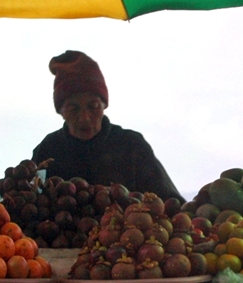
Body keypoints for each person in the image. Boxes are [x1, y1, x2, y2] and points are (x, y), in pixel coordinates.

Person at [32, 50, 185, 202]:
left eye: (93, 106)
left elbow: (171, 203)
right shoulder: (48, 150)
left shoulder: (132, 146)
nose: (85, 118)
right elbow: (30, 201)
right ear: (61, 111)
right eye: (74, 108)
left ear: (104, 105)